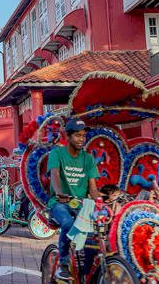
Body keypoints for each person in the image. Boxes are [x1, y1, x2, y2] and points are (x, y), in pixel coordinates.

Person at [47, 119, 101, 281]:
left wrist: (102, 201)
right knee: (68, 224)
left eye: (84, 136)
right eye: (77, 135)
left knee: (92, 240)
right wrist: (59, 193)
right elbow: (54, 175)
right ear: (68, 136)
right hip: (59, 204)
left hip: (81, 206)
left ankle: (87, 276)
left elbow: (92, 188)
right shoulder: (57, 154)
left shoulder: (88, 158)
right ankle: (63, 264)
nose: (81, 139)